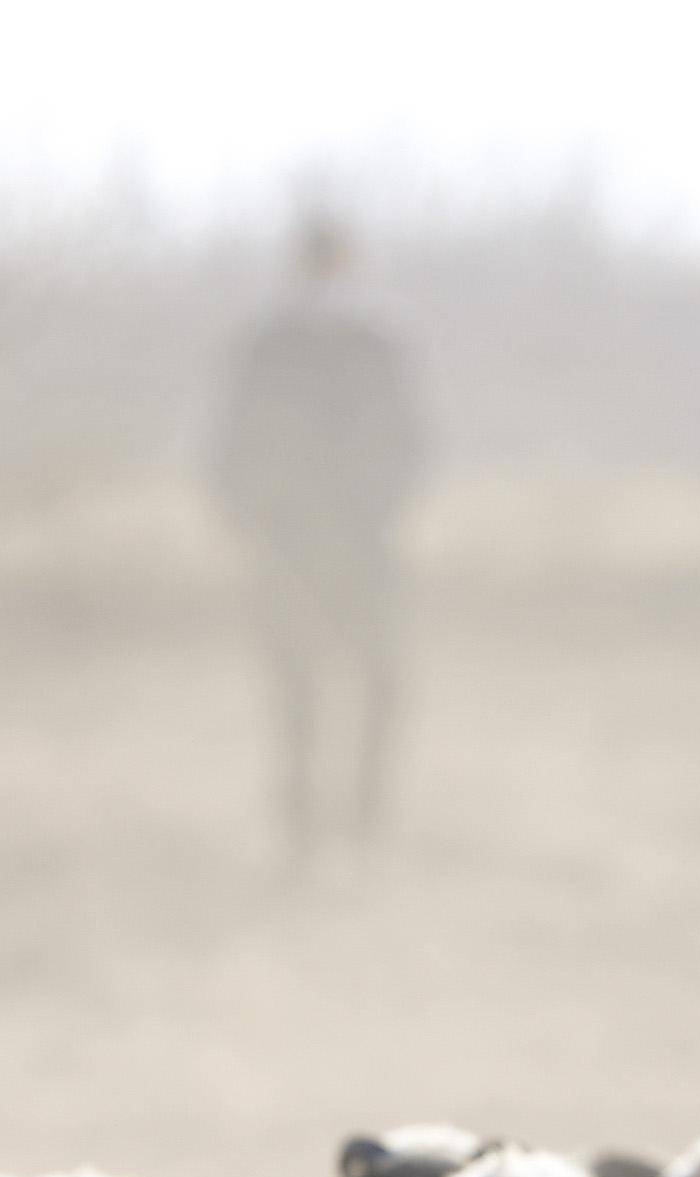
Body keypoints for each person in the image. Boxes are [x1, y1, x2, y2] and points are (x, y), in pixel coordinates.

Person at [208, 211, 429, 860]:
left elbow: (409, 440)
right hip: (298, 534)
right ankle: (309, 820)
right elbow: (233, 441)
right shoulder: (271, 343)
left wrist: (380, 507)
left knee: (376, 680)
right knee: (299, 684)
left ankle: (361, 818)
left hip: (354, 534)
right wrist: (251, 513)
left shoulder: (373, 342)